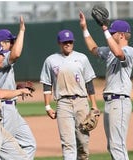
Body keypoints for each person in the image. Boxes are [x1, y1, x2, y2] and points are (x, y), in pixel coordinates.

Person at [79, 12, 133, 160]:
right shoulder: (110, 51)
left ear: (121, 35)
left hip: (120, 101)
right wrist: (84, 28)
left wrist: (104, 29)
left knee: (118, 145)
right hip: (110, 102)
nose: (110, 35)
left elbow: (119, 53)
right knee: (112, 145)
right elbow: (94, 49)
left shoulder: (129, 51)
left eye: (112, 33)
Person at [40, 29, 99, 160]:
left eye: (70, 42)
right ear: (59, 43)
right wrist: (47, 106)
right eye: (64, 42)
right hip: (63, 103)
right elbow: (47, 84)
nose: (67, 44)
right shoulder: (51, 60)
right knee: (67, 143)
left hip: (81, 102)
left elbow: (89, 82)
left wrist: (94, 105)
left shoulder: (82, 58)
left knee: (83, 141)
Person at [0, 16, 36, 159]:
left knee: (29, 144)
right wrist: (22, 30)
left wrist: (15, 88)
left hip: (12, 109)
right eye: (11, 41)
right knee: (2, 148)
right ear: (2, 44)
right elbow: (16, 54)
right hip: (3, 108)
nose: (12, 44)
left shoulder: (1, 59)